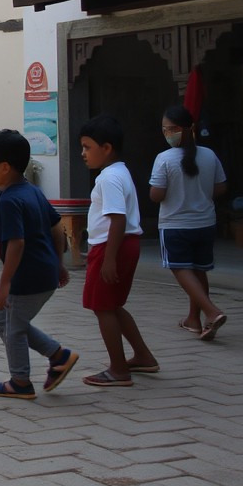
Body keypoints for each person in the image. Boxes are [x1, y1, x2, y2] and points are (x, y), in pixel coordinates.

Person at [0, 129, 78, 400]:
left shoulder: (8, 200)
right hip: (44, 272)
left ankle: (20, 381)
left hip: (27, 278)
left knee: (12, 328)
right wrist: (59, 264)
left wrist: (4, 284)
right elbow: (57, 227)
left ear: (5, 167)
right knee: (3, 319)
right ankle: (59, 355)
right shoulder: (32, 191)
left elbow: (16, 244)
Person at [78, 115, 158, 387]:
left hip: (114, 247)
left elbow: (118, 219)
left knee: (102, 307)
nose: (83, 154)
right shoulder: (119, 172)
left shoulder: (109, 178)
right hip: (118, 246)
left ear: (107, 148)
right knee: (113, 305)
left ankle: (118, 369)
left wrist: (108, 258)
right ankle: (143, 356)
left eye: (88, 147)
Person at [150, 105, 228, 340]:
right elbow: (221, 187)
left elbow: (156, 195)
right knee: (199, 270)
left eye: (172, 129)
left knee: (181, 269)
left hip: (175, 225)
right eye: (165, 129)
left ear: (188, 129)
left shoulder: (164, 159)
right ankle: (193, 319)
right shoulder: (209, 155)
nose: (168, 133)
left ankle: (211, 312)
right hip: (205, 223)